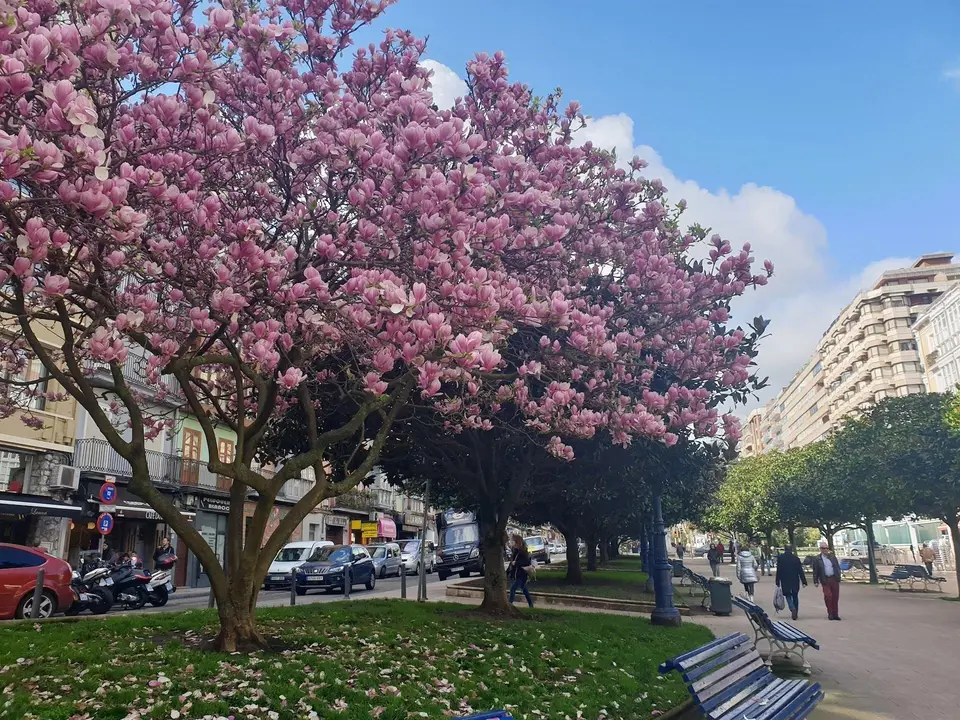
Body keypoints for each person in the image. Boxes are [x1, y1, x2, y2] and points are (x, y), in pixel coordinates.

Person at [811, 541, 842, 620]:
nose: (825, 550)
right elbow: (815, 571)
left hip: (834, 578)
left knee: (835, 597)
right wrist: (816, 581)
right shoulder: (817, 559)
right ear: (820, 549)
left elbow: (837, 567)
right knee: (828, 596)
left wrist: (838, 576)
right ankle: (830, 613)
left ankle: (835, 614)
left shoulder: (832, 557)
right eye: (824, 548)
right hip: (825, 579)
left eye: (826, 548)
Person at [775, 545, 808, 620]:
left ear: (785, 549)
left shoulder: (781, 558)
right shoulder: (796, 559)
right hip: (794, 579)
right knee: (795, 595)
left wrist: (777, 580)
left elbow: (779, 570)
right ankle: (796, 610)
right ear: (791, 550)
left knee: (787, 595)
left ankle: (792, 607)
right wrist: (804, 581)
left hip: (785, 579)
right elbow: (800, 570)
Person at [507, 533, 534, 608]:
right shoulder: (515, 551)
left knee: (513, 589)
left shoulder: (523, 552)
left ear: (517, 542)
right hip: (517, 574)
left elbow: (526, 562)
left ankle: (510, 604)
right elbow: (512, 563)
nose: (511, 542)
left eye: (512, 541)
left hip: (522, 574)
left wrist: (516, 563)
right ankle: (531, 604)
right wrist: (508, 572)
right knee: (524, 589)